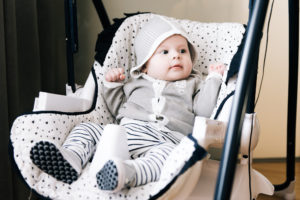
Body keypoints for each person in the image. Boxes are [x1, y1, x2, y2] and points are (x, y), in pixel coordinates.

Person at [30, 16, 225, 192]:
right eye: (164, 52)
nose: (176, 56)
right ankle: (72, 157)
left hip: (165, 140)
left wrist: (214, 79)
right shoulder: (135, 82)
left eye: (183, 51)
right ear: (145, 65)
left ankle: (128, 172)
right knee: (87, 129)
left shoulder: (194, 83)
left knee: (170, 157)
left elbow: (204, 111)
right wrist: (112, 85)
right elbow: (117, 109)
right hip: (125, 133)